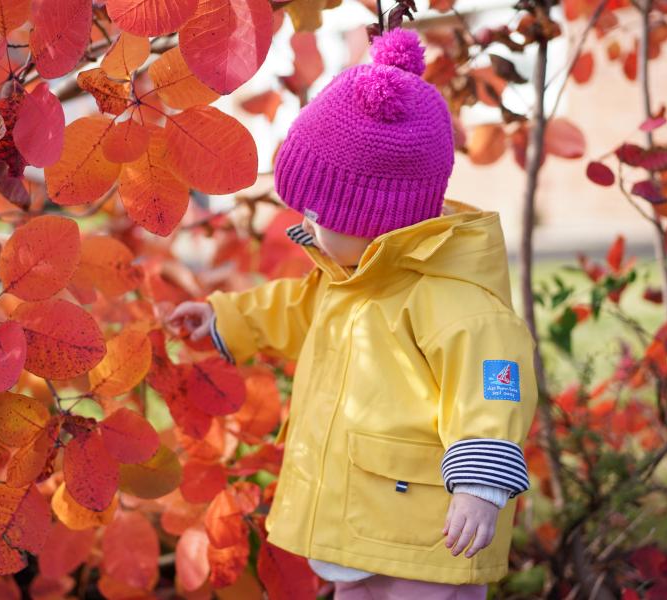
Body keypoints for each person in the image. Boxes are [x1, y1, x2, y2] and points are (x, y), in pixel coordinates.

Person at [168, 26, 538, 599]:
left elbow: (492, 387)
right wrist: (225, 319)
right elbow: (295, 309)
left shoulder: (455, 301)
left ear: (380, 219)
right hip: (361, 519)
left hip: (429, 532)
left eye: (321, 215)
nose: (309, 228)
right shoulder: (348, 278)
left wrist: (479, 486)